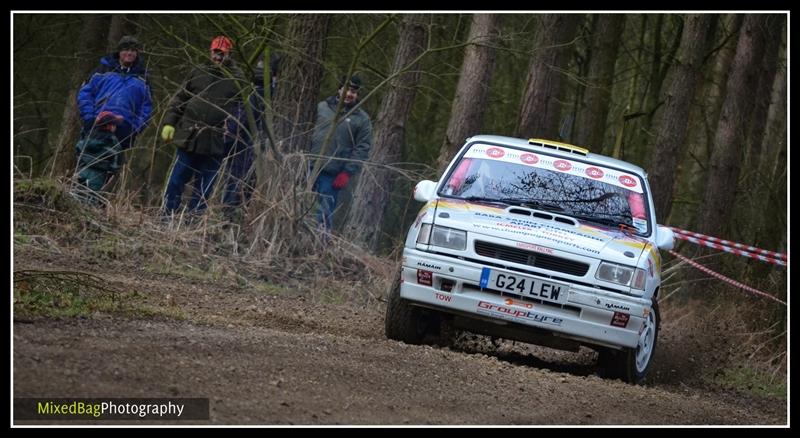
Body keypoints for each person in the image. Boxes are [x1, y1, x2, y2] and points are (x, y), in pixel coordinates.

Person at [160, 35, 246, 218]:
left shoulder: (237, 79)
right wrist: (169, 123)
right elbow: (180, 99)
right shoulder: (198, 71)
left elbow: (241, 111)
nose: (218, 57)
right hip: (189, 136)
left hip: (216, 141)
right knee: (176, 180)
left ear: (229, 54)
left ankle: (194, 222)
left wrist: (231, 130)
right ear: (210, 52)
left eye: (222, 54)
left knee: (204, 188)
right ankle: (166, 215)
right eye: (215, 53)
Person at [308, 74, 373, 231]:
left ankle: (319, 248)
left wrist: (347, 172)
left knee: (323, 213)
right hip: (308, 167)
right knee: (301, 205)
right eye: (347, 89)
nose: (350, 94)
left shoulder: (362, 119)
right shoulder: (322, 107)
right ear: (339, 89)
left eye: (354, 92)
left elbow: (363, 148)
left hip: (332, 175)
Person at [77, 35, 152, 153]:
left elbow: (146, 107)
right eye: (126, 49)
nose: (129, 53)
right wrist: (89, 118)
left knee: (113, 166)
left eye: (133, 50)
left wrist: (134, 129)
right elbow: (85, 94)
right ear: (119, 51)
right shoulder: (102, 70)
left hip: (124, 130)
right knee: (89, 163)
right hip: (97, 123)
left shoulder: (142, 78)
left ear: (137, 53)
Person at [73, 111, 125, 203]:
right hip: (98, 176)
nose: (115, 127)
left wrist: (81, 161)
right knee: (91, 203)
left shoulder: (88, 135)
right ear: (109, 126)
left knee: (76, 199)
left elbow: (78, 148)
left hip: (82, 171)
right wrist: (110, 172)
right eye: (114, 124)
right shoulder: (113, 142)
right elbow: (116, 163)